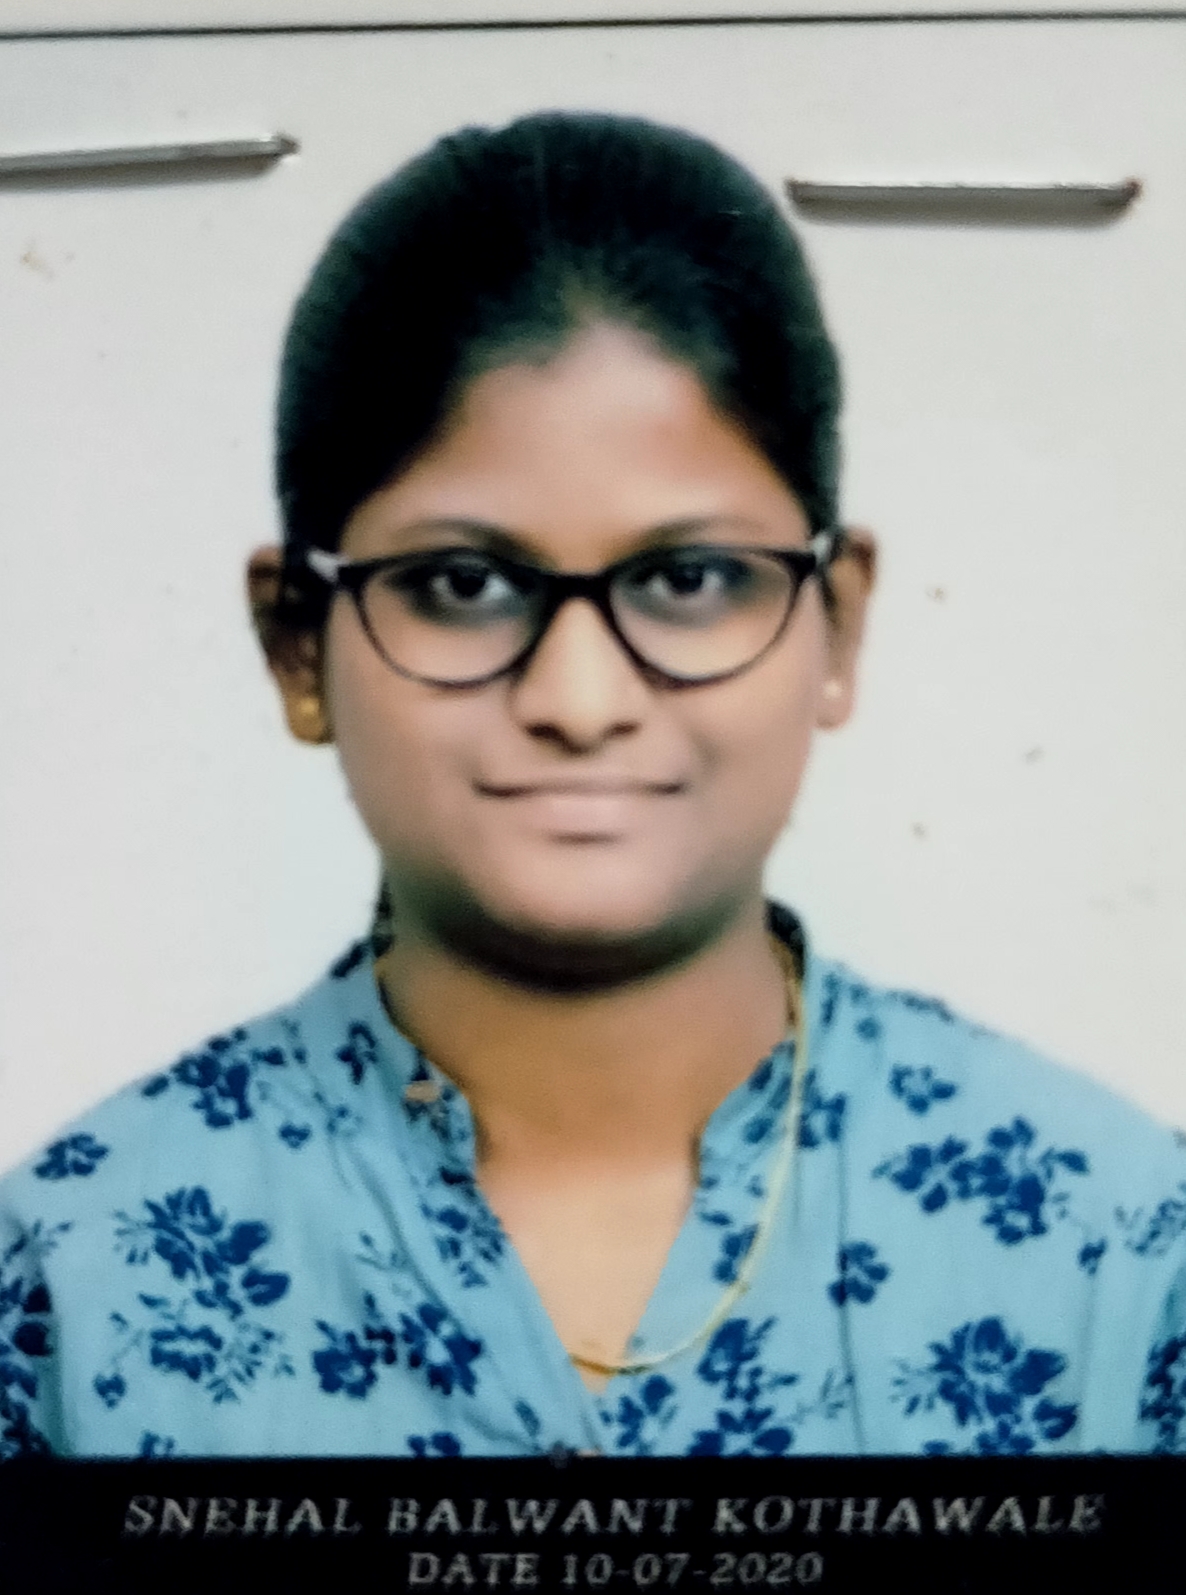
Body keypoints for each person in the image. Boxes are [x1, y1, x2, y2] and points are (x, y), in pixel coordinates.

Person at [1, 110, 1183, 1462]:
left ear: (837, 626)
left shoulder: (1122, 1259)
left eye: (687, 578)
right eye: (462, 584)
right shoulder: (66, 1288)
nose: (577, 699)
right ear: (297, 647)